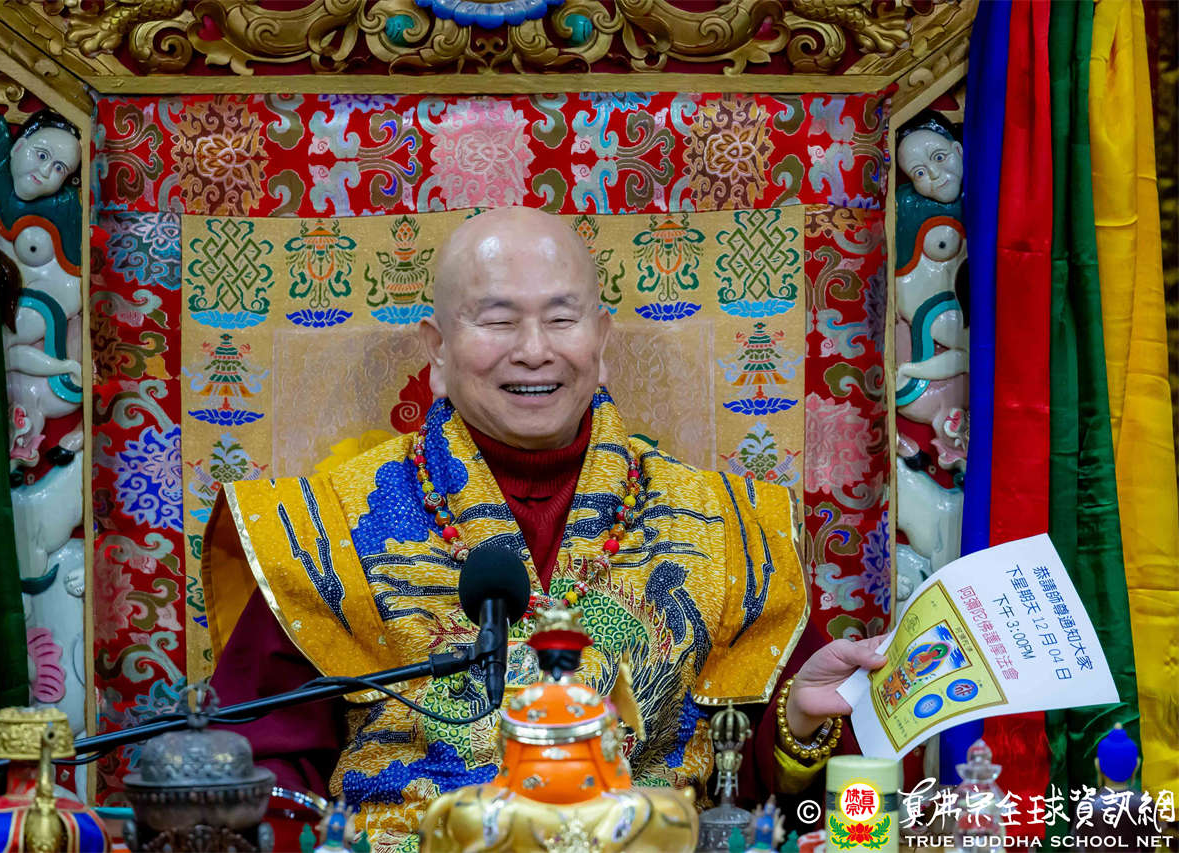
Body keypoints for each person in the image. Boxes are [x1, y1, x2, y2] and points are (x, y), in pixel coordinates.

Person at [203, 208, 887, 851]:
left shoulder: (719, 521)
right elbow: (260, 772)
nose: (534, 351)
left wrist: (801, 722)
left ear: (602, 341)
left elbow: (782, 791)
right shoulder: (328, 527)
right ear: (437, 350)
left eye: (561, 319)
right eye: (498, 321)